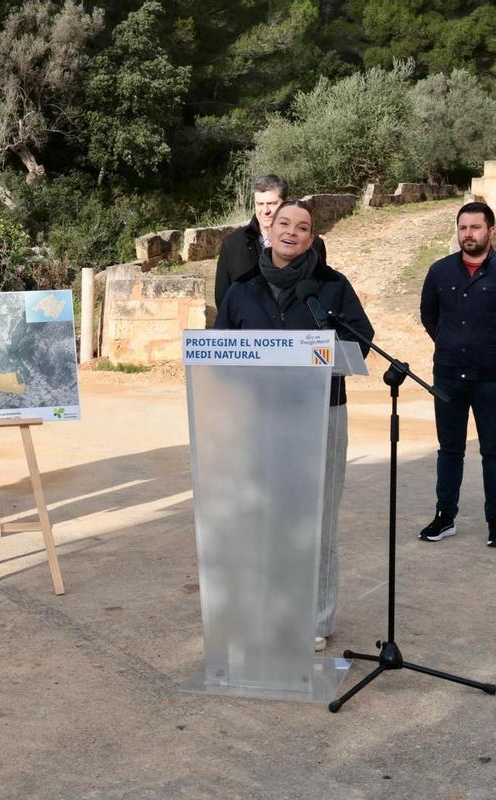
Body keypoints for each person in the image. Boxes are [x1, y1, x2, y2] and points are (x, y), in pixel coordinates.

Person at [214, 199, 373, 650]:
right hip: (261, 417)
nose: (291, 232)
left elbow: (361, 338)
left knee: (318, 517)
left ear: (311, 237)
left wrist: (316, 352)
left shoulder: (331, 286)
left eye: (302, 227)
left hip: (322, 412)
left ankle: (316, 619)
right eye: (284, 223)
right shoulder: (242, 289)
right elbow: (220, 354)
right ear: (269, 230)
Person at [417, 201, 496, 547]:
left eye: (475, 227)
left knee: (494, 450)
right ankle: (445, 517)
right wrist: (449, 343)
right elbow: (429, 314)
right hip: (449, 376)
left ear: (491, 231)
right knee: (449, 449)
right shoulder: (440, 271)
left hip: (492, 377)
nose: (468, 234)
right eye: (463, 228)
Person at [213, 174, 327, 308]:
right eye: (260, 204)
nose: (265, 211)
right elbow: (223, 301)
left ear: (286, 202)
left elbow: (322, 291)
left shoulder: (314, 245)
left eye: (272, 204)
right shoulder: (232, 244)